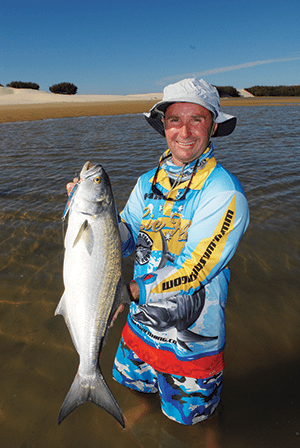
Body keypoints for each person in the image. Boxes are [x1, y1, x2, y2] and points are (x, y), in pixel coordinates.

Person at [67, 78, 249, 425]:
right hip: (139, 328)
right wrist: (91, 216)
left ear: (212, 127)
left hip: (191, 342)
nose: (184, 130)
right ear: (163, 126)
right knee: (136, 393)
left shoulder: (224, 193)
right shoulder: (147, 181)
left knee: (190, 424)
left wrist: (130, 291)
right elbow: (126, 239)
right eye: (174, 119)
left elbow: (196, 268)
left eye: (196, 119)